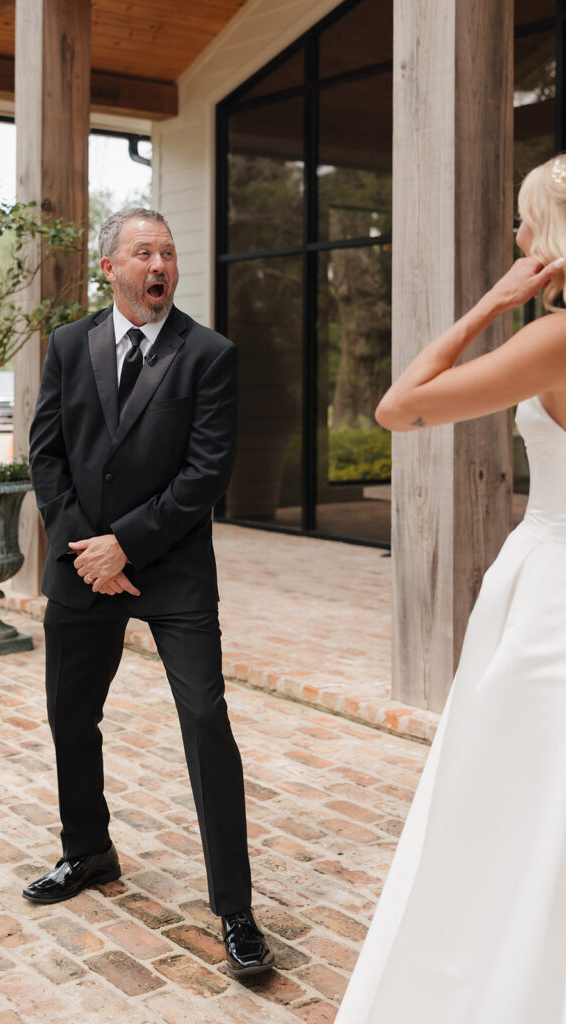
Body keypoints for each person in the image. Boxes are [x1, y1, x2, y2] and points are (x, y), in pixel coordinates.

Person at [335, 155, 566, 1023]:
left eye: (521, 221)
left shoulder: (552, 339)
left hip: (551, 597)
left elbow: (400, 407)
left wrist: (492, 305)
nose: (514, 237)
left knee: (515, 806)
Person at [23, 207, 274, 977]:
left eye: (167, 251)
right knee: (71, 712)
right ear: (111, 268)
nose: (158, 264)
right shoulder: (69, 346)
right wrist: (88, 550)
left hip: (172, 571)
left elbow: (206, 473)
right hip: (82, 564)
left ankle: (235, 906)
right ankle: (88, 852)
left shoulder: (211, 354)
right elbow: (47, 453)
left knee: (205, 721)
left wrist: (125, 544)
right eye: (142, 253)